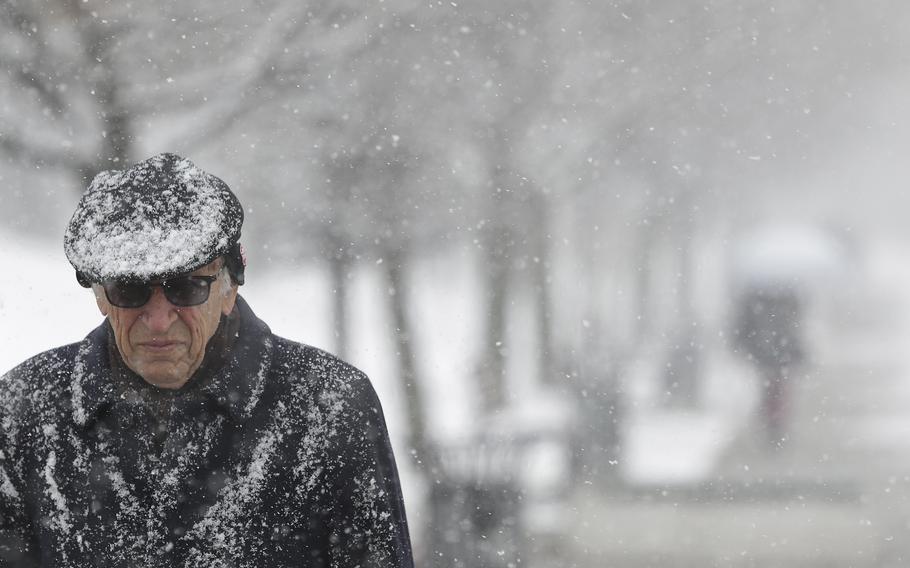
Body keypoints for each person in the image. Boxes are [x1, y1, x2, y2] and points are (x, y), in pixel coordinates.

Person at [0, 153, 414, 567]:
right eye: (130, 291)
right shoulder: (25, 410)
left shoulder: (329, 406)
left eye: (186, 288)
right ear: (101, 298)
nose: (159, 321)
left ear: (229, 288)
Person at [732, 283, 806, 448]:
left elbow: (743, 326)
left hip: (770, 351)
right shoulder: (787, 296)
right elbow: (796, 324)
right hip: (773, 351)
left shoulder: (757, 297)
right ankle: (774, 423)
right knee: (775, 388)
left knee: (774, 388)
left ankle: (774, 423)